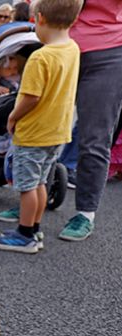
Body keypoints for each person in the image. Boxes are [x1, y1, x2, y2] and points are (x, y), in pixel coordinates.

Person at [0, 0, 81, 254]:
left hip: (34, 132)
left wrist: (13, 116)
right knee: (40, 182)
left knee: (28, 186)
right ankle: (33, 228)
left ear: (38, 19)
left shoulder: (41, 57)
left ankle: (25, 235)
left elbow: (31, 97)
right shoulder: (72, 48)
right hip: (57, 131)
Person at [57, 0, 122, 242]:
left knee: (94, 137)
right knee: (42, 129)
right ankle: (32, 198)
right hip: (58, 45)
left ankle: (85, 213)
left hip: (109, 51)